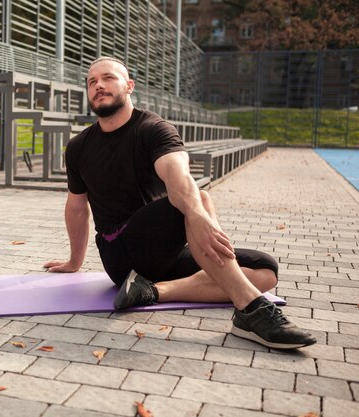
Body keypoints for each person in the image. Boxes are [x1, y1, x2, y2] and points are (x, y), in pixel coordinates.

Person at [44, 57, 316, 350]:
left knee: (265, 271)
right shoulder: (79, 146)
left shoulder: (153, 129)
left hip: (165, 253)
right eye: (91, 82)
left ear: (129, 86)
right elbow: (76, 206)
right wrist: (75, 261)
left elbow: (178, 176)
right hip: (120, 254)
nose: (98, 85)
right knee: (198, 200)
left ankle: (154, 291)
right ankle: (251, 310)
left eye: (108, 78)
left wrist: (197, 216)